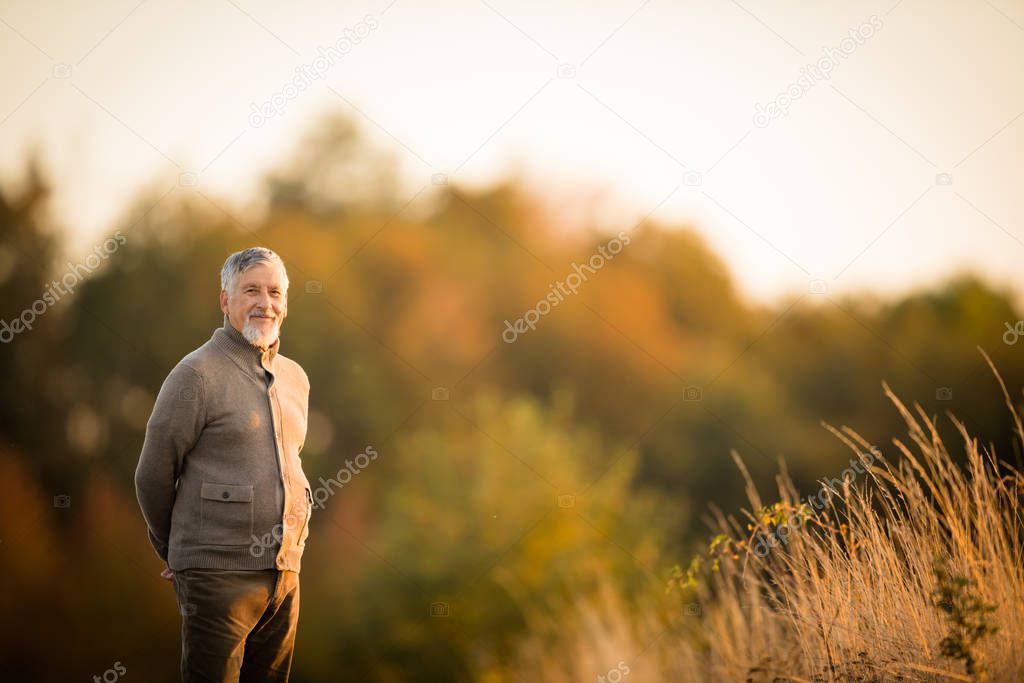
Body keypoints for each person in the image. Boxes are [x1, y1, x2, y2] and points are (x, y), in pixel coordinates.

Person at [134, 247, 312, 682]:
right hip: (216, 578)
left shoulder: (295, 377)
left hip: (285, 574)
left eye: (274, 292)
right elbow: (153, 474)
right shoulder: (195, 374)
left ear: (285, 304)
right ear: (225, 300)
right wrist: (174, 551)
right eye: (251, 290)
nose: (264, 302)